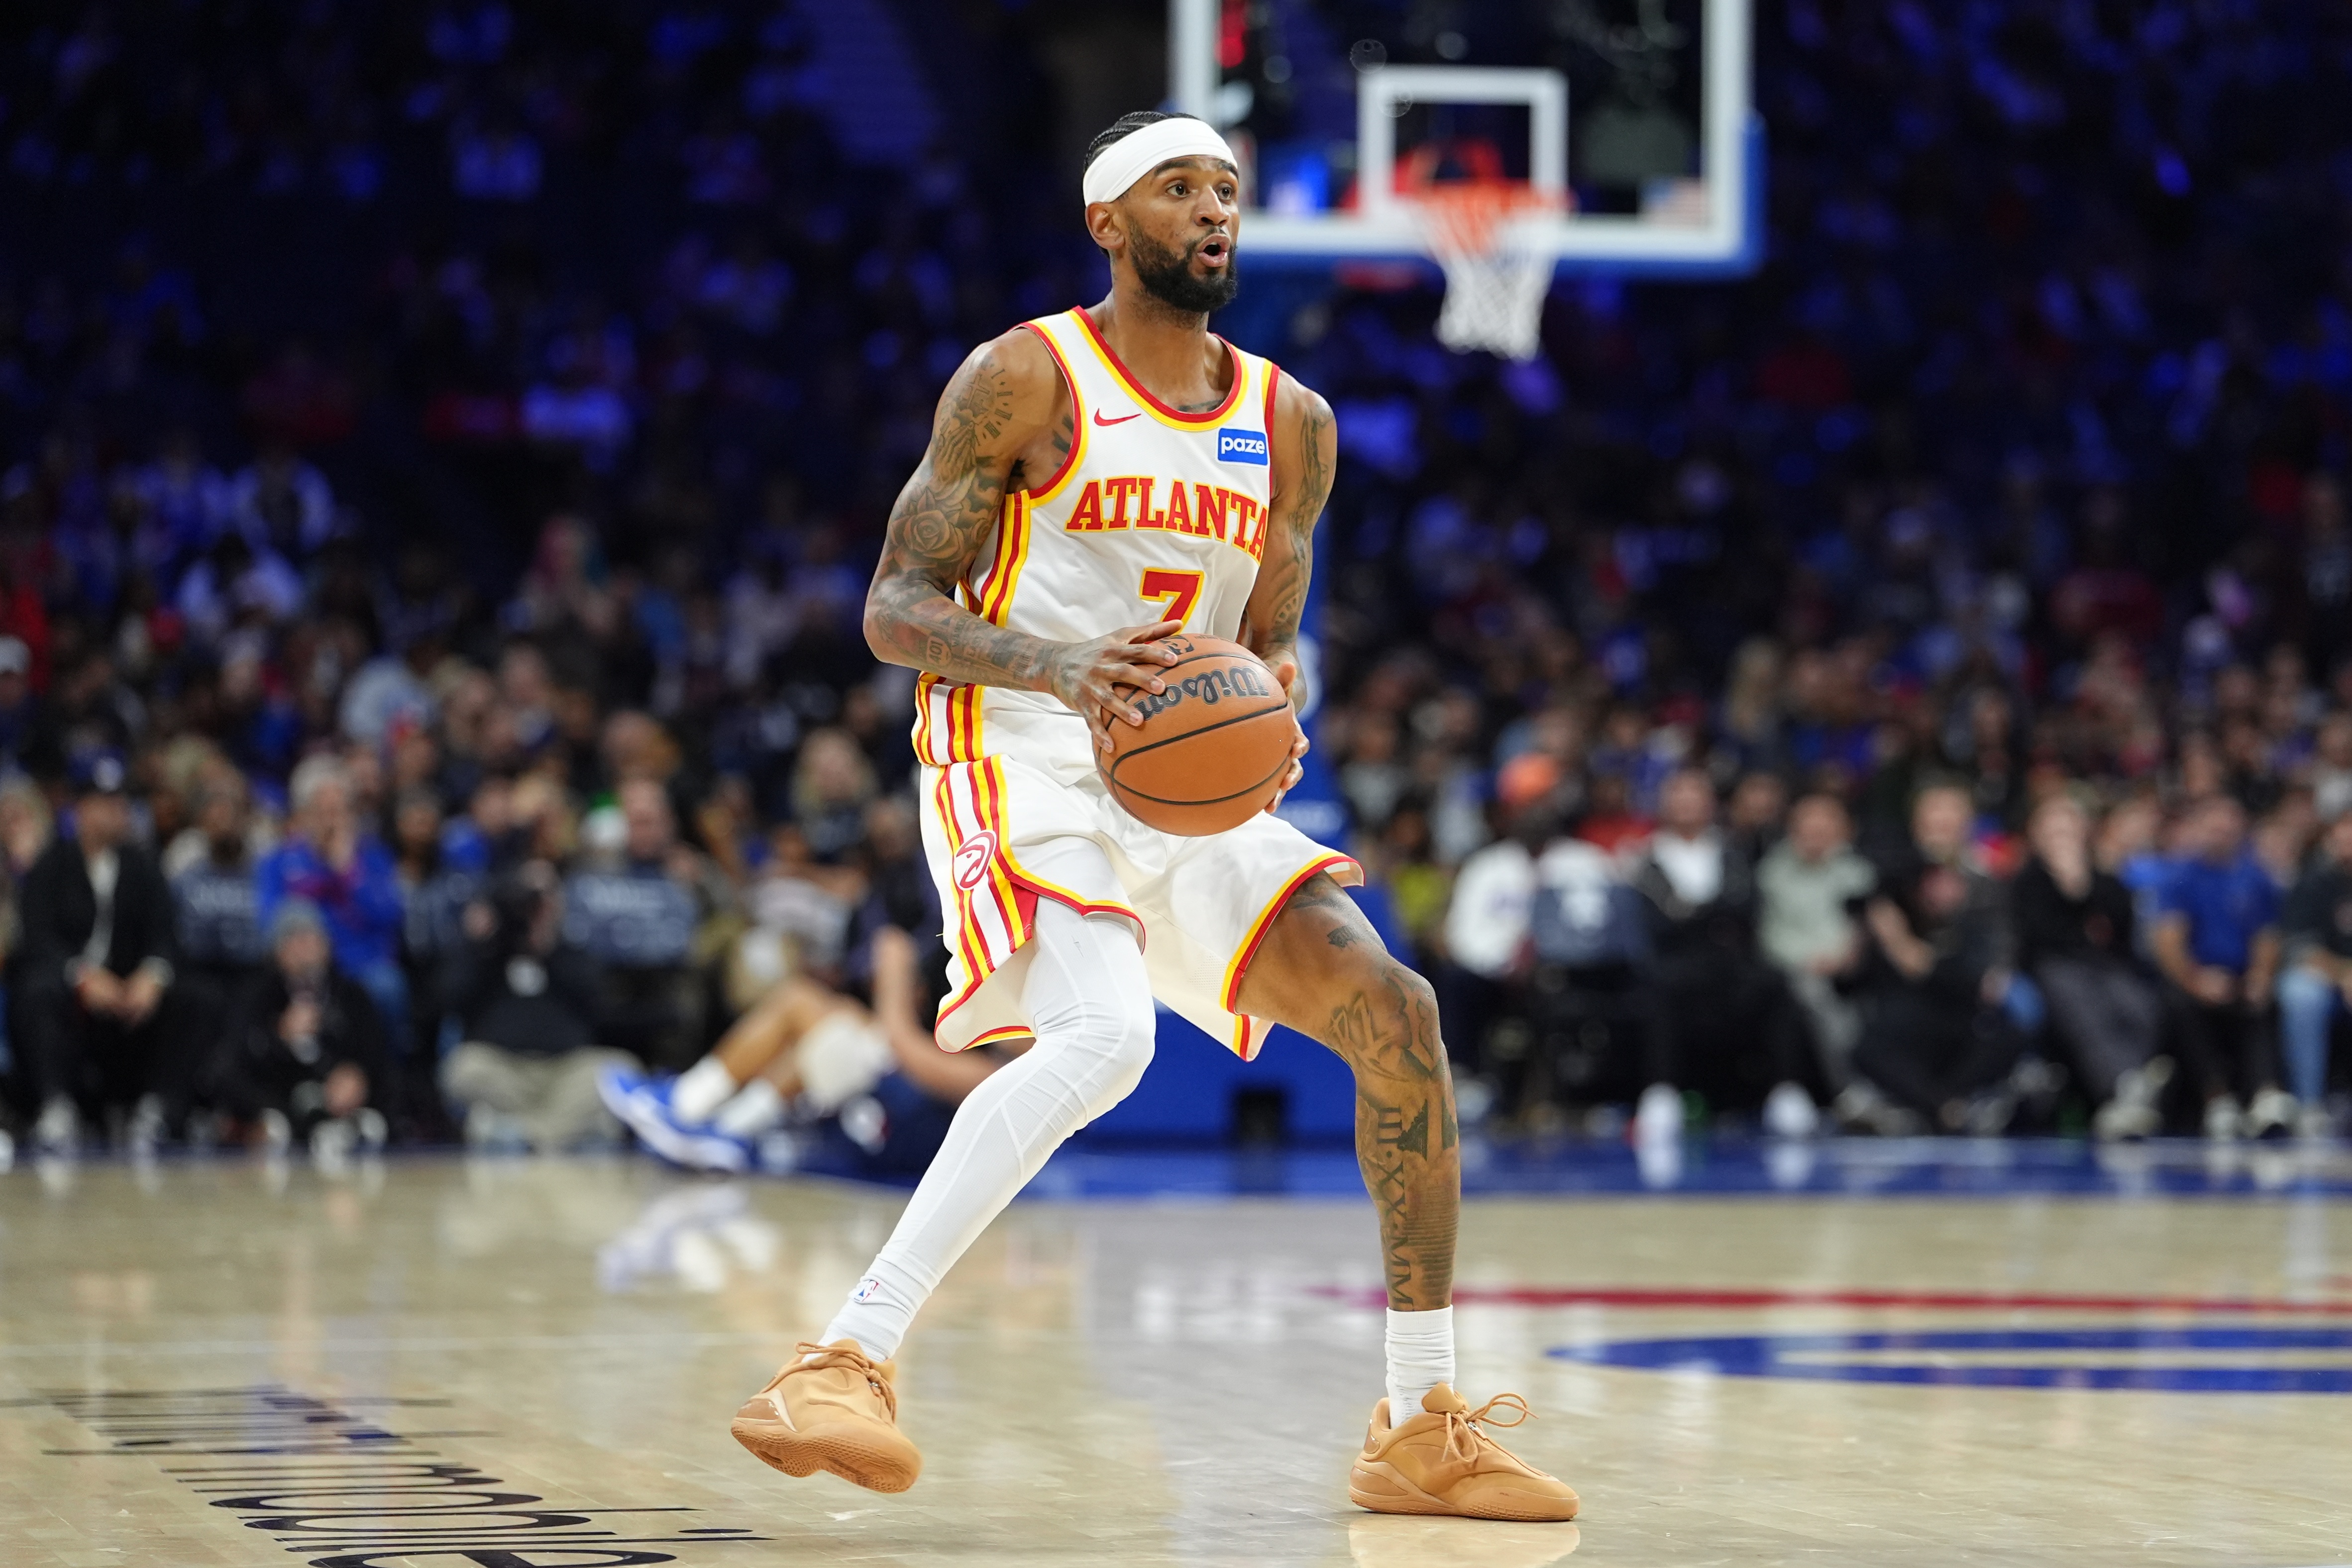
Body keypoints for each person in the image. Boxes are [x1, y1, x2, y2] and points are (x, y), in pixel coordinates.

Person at [725, 110, 1577, 1522]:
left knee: (1400, 1016)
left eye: (1226, 190)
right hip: (1019, 744)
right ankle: (839, 1360)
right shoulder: (1025, 375)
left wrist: (1275, 694)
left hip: (1178, 776)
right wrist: (1060, 664)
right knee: (1108, 1035)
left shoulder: (1291, 423)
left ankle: (1420, 1423)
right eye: (1179, 188)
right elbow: (892, 608)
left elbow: (1271, 636)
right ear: (1108, 222)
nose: (1213, 211)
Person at [600, 926, 1012, 1174]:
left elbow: (907, 1050)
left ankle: (693, 1105)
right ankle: (725, 1129)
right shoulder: (990, 1049)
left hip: (893, 1138)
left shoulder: (1008, 1077)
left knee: (812, 1013)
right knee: (834, 1026)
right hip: (882, 1107)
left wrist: (894, 977)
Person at [1625, 768, 1817, 1142]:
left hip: (1730, 966)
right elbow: (1657, 923)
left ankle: (1787, 1091)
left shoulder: (1733, 853)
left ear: (1711, 804)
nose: (1687, 803)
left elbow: (1745, 908)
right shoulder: (1647, 861)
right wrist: (1711, 914)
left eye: (1695, 794)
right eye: (1679, 795)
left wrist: (1692, 913)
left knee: (1777, 983)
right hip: (1676, 966)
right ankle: (1661, 1093)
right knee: (1658, 989)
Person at [12, 754, 188, 1153]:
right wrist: (81, 975)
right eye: (105, 803)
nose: (117, 811)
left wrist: (153, 973)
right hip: (72, 989)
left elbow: (165, 932)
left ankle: (159, 1109)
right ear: (82, 810)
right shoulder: (52, 864)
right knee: (35, 990)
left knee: (196, 996)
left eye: (120, 802)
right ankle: (56, 1105)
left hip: (128, 987)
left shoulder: (143, 865)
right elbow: (38, 938)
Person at [1848, 783, 2021, 1134]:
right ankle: (1943, 1108)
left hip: (1965, 1007)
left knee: (2010, 1027)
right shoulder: (1891, 877)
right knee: (1870, 1044)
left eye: (1951, 812)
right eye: (1933, 813)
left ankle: (1938, 1105)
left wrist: (1910, 951)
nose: (1942, 822)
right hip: (1903, 1006)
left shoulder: (1988, 883)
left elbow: (1984, 968)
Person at [438, 860, 633, 1151]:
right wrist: (479, 944)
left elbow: (599, 1005)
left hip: (565, 1073)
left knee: (620, 1070)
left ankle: (523, 1135)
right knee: (462, 1067)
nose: (535, 905)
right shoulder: (488, 952)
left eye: (545, 894)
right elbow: (448, 999)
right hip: (504, 1073)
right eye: (527, 895)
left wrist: (548, 947)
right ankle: (567, 1134)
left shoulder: (574, 954)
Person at [2012, 795, 2169, 1140]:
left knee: (2136, 1003)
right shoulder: (2027, 881)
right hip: (2053, 968)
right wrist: (2071, 893)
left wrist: (2083, 884)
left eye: (2068, 829)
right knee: (2081, 1008)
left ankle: (2138, 1083)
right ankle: (2118, 1088)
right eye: (2053, 831)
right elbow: (2038, 936)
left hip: (2104, 967)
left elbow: (2122, 926)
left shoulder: (2102, 876)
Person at [2152, 794, 2291, 1140]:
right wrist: (2196, 980)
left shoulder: (2255, 876)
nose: (2222, 832)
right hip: (2195, 974)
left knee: (2264, 1000)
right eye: (2214, 826)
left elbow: (2267, 936)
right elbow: (2168, 941)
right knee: (2180, 1005)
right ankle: (2217, 1098)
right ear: (2200, 828)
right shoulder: (2180, 876)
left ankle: (2265, 1096)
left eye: (2228, 826)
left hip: (2241, 974)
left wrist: (2260, 975)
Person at [210, 899, 388, 1158]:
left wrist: (357, 1075)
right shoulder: (257, 995)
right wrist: (279, 1036)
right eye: (295, 939)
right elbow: (237, 1055)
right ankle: (290, 1126)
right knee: (229, 1077)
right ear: (277, 951)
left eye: (313, 938)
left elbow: (374, 1049)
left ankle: (346, 1123)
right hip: (279, 1092)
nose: (306, 948)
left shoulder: (351, 994)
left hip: (333, 1088)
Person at [256, 755, 409, 1046]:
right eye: (324, 812)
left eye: (342, 811)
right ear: (304, 816)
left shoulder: (374, 858)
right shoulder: (278, 861)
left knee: (387, 987)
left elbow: (390, 918)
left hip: (362, 967)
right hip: (302, 971)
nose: (334, 822)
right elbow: (269, 924)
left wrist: (348, 872)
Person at [1755, 792, 1876, 1093]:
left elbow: (1862, 927)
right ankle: (1851, 1088)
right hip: (1794, 970)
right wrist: (1810, 960)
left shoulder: (1857, 873)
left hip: (1850, 967)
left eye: (1825, 826)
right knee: (1815, 994)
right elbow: (1770, 935)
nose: (1816, 833)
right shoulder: (1773, 873)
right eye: (1808, 825)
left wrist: (1842, 956)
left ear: (1842, 830)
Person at [2275, 810, 2352, 1139]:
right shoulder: (2313, 880)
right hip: (2323, 976)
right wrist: (2344, 974)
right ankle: (2309, 1103)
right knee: (2301, 996)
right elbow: (2300, 946)